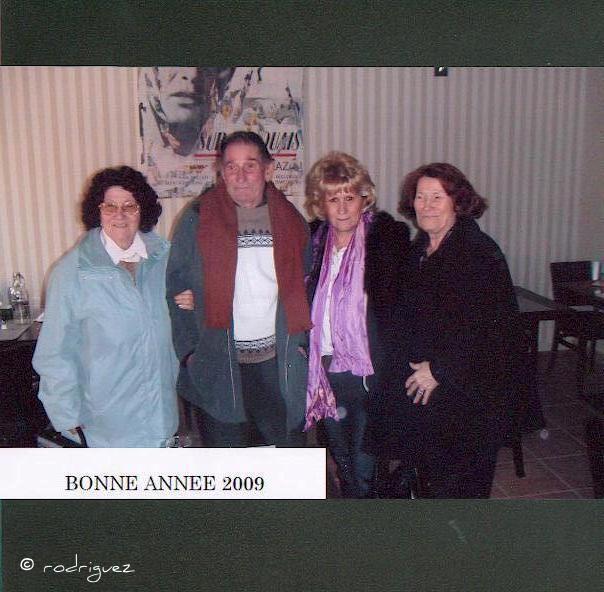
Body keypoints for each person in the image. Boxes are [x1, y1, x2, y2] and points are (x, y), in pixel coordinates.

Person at [166, 131, 311, 447]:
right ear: (221, 171)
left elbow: (310, 286)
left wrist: (304, 347)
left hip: (278, 365)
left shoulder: (291, 221)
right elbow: (176, 288)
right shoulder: (197, 218)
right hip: (219, 363)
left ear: (268, 170)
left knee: (286, 459)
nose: (240, 176)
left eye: (250, 165)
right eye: (231, 166)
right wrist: (189, 354)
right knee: (229, 464)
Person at [392, 162, 520, 498]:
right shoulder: (421, 249)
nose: (427, 205)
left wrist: (439, 370)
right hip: (432, 388)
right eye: (421, 197)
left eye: (438, 197)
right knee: (434, 478)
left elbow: (491, 331)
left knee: (463, 485)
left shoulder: (478, 252)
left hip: (471, 393)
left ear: (457, 202)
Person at [33, 166, 179, 447]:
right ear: (97, 211)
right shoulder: (71, 272)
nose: (119, 215)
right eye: (110, 206)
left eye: (129, 206)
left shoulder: (165, 260)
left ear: (143, 210)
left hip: (161, 415)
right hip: (104, 423)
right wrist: (67, 417)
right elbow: (54, 354)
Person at [304, 152, 410, 498]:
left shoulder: (386, 241)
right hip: (326, 368)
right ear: (321, 203)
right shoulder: (313, 243)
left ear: (364, 198)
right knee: (341, 457)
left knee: (366, 461)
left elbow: (404, 306)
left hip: (368, 372)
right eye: (333, 199)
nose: (342, 208)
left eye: (349, 198)